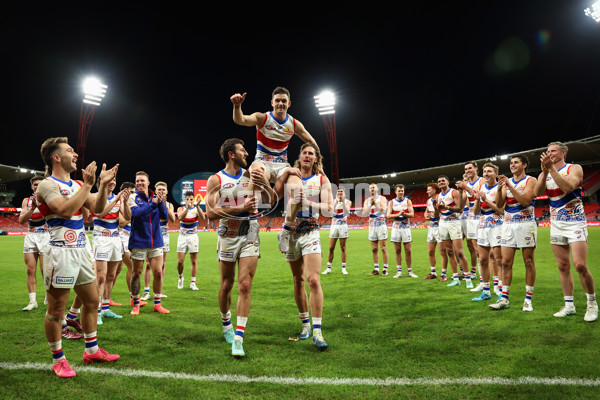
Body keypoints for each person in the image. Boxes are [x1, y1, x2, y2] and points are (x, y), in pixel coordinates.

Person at [36, 136, 120, 378]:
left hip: (82, 249)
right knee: (56, 309)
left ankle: (91, 350)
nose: (75, 155)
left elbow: (99, 208)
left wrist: (102, 185)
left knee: (92, 301)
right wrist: (87, 185)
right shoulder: (46, 185)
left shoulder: (76, 185)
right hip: (59, 251)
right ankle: (58, 358)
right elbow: (62, 209)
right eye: (69, 150)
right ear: (56, 157)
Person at [205, 138, 274, 357]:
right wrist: (239, 207)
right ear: (231, 154)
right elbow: (210, 213)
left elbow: (271, 201)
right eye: (242, 151)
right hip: (227, 233)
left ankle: (238, 338)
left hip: (250, 231)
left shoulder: (251, 175)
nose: (247, 154)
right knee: (227, 284)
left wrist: (263, 183)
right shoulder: (215, 180)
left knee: (244, 285)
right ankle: (227, 325)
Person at [230, 87, 319, 249]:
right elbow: (241, 120)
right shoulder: (262, 118)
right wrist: (237, 106)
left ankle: (284, 232)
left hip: (281, 166)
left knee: (298, 190)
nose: (280, 103)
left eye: (283, 101)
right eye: (277, 100)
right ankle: (253, 223)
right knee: (255, 170)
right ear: (272, 103)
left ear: (289, 104)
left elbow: (310, 140)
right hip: (262, 162)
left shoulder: (293, 123)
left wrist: (317, 161)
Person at [274, 143, 333, 350]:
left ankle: (317, 331)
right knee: (298, 280)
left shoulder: (321, 179)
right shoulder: (291, 175)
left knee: (313, 280)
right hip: (291, 235)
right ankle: (305, 324)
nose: (307, 156)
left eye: (311, 153)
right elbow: (275, 196)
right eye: (304, 153)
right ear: (299, 156)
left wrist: (308, 203)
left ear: (316, 159)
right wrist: (284, 174)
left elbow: (329, 209)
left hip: (310, 231)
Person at [534, 142, 598, 322]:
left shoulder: (574, 168)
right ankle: (569, 305)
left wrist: (551, 169)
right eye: (547, 151)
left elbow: (568, 187)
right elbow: (537, 193)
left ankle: (592, 303)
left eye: (553, 151)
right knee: (562, 266)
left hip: (575, 223)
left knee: (580, 265)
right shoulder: (544, 173)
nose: (549, 153)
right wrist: (545, 172)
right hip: (556, 223)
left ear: (563, 153)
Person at [491, 155, 537, 311]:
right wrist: (499, 188)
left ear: (524, 165)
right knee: (505, 262)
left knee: (528, 262)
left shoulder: (531, 180)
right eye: (511, 163)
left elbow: (525, 201)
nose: (512, 165)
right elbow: (498, 205)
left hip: (525, 224)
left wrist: (509, 185)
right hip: (508, 224)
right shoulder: (505, 182)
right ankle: (504, 298)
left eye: (516, 162)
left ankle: (528, 300)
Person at [127, 171, 170, 315]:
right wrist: (154, 204)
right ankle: (136, 303)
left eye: (142, 181)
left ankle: (157, 304)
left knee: (158, 272)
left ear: (148, 182)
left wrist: (161, 202)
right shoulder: (133, 197)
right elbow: (137, 214)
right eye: (137, 180)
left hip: (156, 241)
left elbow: (165, 216)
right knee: (136, 274)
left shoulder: (155, 198)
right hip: (138, 241)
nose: (139, 183)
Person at [90, 177, 130, 324]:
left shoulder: (118, 199)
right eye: (109, 180)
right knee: (100, 277)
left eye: (114, 180)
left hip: (115, 239)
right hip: (100, 238)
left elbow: (128, 217)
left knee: (111, 276)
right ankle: (97, 311)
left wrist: (124, 202)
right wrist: (116, 200)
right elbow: (99, 213)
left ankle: (106, 308)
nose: (112, 182)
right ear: (101, 182)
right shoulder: (94, 197)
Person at [471, 163, 503, 303]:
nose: (486, 173)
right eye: (485, 171)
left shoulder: (500, 188)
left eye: (489, 171)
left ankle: (502, 291)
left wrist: (486, 200)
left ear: (496, 174)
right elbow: (476, 212)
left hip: (498, 225)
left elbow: (501, 210)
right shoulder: (481, 188)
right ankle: (486, 291)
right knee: (483, 259)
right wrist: (478, 200)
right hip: (483, 225)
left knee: (498, 259)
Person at [19, 175, 50, 311]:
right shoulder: (27, 201)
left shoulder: (49, 199)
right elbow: (21, 220)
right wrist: (32, 208)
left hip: (45, 235)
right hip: (31, 235)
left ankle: (48, 296)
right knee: (30, 269)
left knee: (45, 270)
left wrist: (41, 205)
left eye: (40, 184)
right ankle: (32, 301)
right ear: (32, 186)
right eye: (35, 184)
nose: (37, 186)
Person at [142, 181, 176, 300]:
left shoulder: (170, 205)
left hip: (165, 236)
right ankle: (146, 291)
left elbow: (172, 218)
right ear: (155, 191)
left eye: (163, 189)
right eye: (159, 189)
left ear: (166, 192)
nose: (161, 191)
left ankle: (159, 291)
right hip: (152, 235)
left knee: (162, 265)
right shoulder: (150, 202)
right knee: (148, 264)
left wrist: (165, 204)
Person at [436, 175, 470, 287]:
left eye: (443, 181)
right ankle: (455, 278)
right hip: (443, 223)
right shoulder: (439, 195)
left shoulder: (454, 192)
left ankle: (468, 278)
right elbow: (438, 213)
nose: (441, 182)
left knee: (459, 252)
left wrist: (446, 207)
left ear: (447, 182)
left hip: (454, 222)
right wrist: (436, 208)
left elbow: (460, 208)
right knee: (449, 251)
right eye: (439, 181)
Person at [457, 162, 482, 287]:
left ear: (476, 168)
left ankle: (486, 277)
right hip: (470, 218)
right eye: (466, 169)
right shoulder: (467, 186)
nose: (467, 171)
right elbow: (461, 206)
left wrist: (465, 187)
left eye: (470, 168)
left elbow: (480, 196)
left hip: (482, 217)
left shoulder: (481, 181)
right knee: (476, 250)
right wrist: (462, 191)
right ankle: (478, 276)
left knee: (482, 251)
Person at [176, 191, 206, 291]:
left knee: (194, 260)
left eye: (191, 199)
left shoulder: (197, 209)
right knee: (180, 261)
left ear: (194, 199)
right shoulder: (181, 208)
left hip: (193, 236)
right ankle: (180, 278)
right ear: (185, 200)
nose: (190, 201)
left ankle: (193, 283)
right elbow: (180, 217)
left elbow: (203, 218)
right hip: (182, 237)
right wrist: (188, 208)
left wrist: (197, 207)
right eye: (188, 199)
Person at [386, 184, 417, 278]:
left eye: (402, 191)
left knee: (408, 250)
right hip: (396, 228)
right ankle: (399, 271)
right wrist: (398, 214)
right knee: (397, 250)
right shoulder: (391, 202)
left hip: (406, 228)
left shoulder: (408, 201)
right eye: (399, 190)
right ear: (395, 192)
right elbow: (388, 216)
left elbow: (412, 214)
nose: (401, 192)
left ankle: (410, 271)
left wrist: (405, 214)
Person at [323, 188, 351, 275]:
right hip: (334, 226)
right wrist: (336, 202)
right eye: (338, 192)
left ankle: (343, 268)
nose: (340, 193)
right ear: (336, 194)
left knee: (343, 247)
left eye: (341, 192)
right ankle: (328, 268)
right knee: (331, 248)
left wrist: (342, 202)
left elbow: (347, 212)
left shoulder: (347, 202)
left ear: (344, 194)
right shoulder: (333, 202)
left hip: (343, 226)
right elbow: (330, 212)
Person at [362, 183, 389, 275]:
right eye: (370, 188)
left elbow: (383, 210)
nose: (372, 189)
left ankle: (385, 269)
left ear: (377, 189)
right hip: (372, 226)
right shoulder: (367, 201)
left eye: (373, 187)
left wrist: (376, 204)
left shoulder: (382, 198)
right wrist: (370, 205)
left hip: (381, 225)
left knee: (383, 247)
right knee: (374, 249)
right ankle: (376, 269)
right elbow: (364, 213)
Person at [423, 183, 447, 280]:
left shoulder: (441, 198)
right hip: (431, 227)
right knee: (430, 251)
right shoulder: (429, 200)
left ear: (434, 190)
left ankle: (443, 274)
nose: (427, 191)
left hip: (440, 227)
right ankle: (433, 272)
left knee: (442, 251)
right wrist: (426, 215)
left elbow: (444, 211)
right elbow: (426, 210)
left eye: (429, 190)